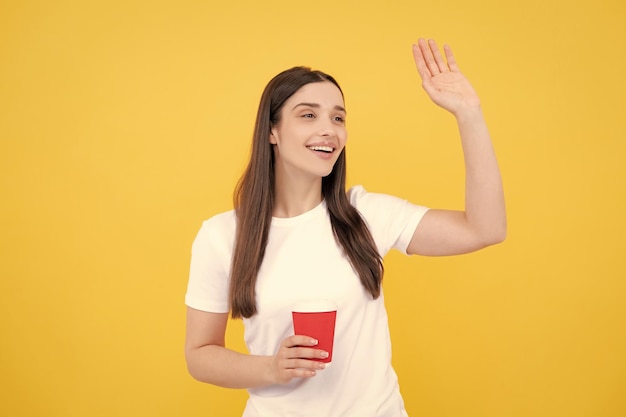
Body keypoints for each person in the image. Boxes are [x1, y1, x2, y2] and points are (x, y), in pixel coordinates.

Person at [184, 38, 506, 417]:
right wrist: (271, 367)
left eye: (338, 118)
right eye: (308, 115)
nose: (329, 130)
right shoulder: (222, 236)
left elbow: (485, 229)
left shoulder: (366, 215)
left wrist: (469, 113)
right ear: (272, 131)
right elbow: (200, 355)